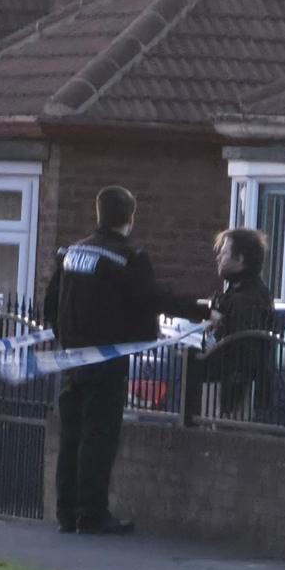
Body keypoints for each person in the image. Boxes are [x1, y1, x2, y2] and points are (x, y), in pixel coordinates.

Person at [44, 186, 202, 535]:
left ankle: (66, 512)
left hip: (72, 359)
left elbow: (51, 303)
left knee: (71, 437)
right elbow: (151, 299)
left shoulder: (71, 254)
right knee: (98, 437)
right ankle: (92, 514)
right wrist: (201, 310)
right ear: (130, 218)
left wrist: (66, 335)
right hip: (107, 359)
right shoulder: (127, 258)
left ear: (98, 214)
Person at [208, 228, 275, 420]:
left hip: (237, 396)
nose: (218, 256)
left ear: (240, 259)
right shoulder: (237, 293)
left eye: (224, 252)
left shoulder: (247, 301)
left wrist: (230, 400)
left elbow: (243, 354)